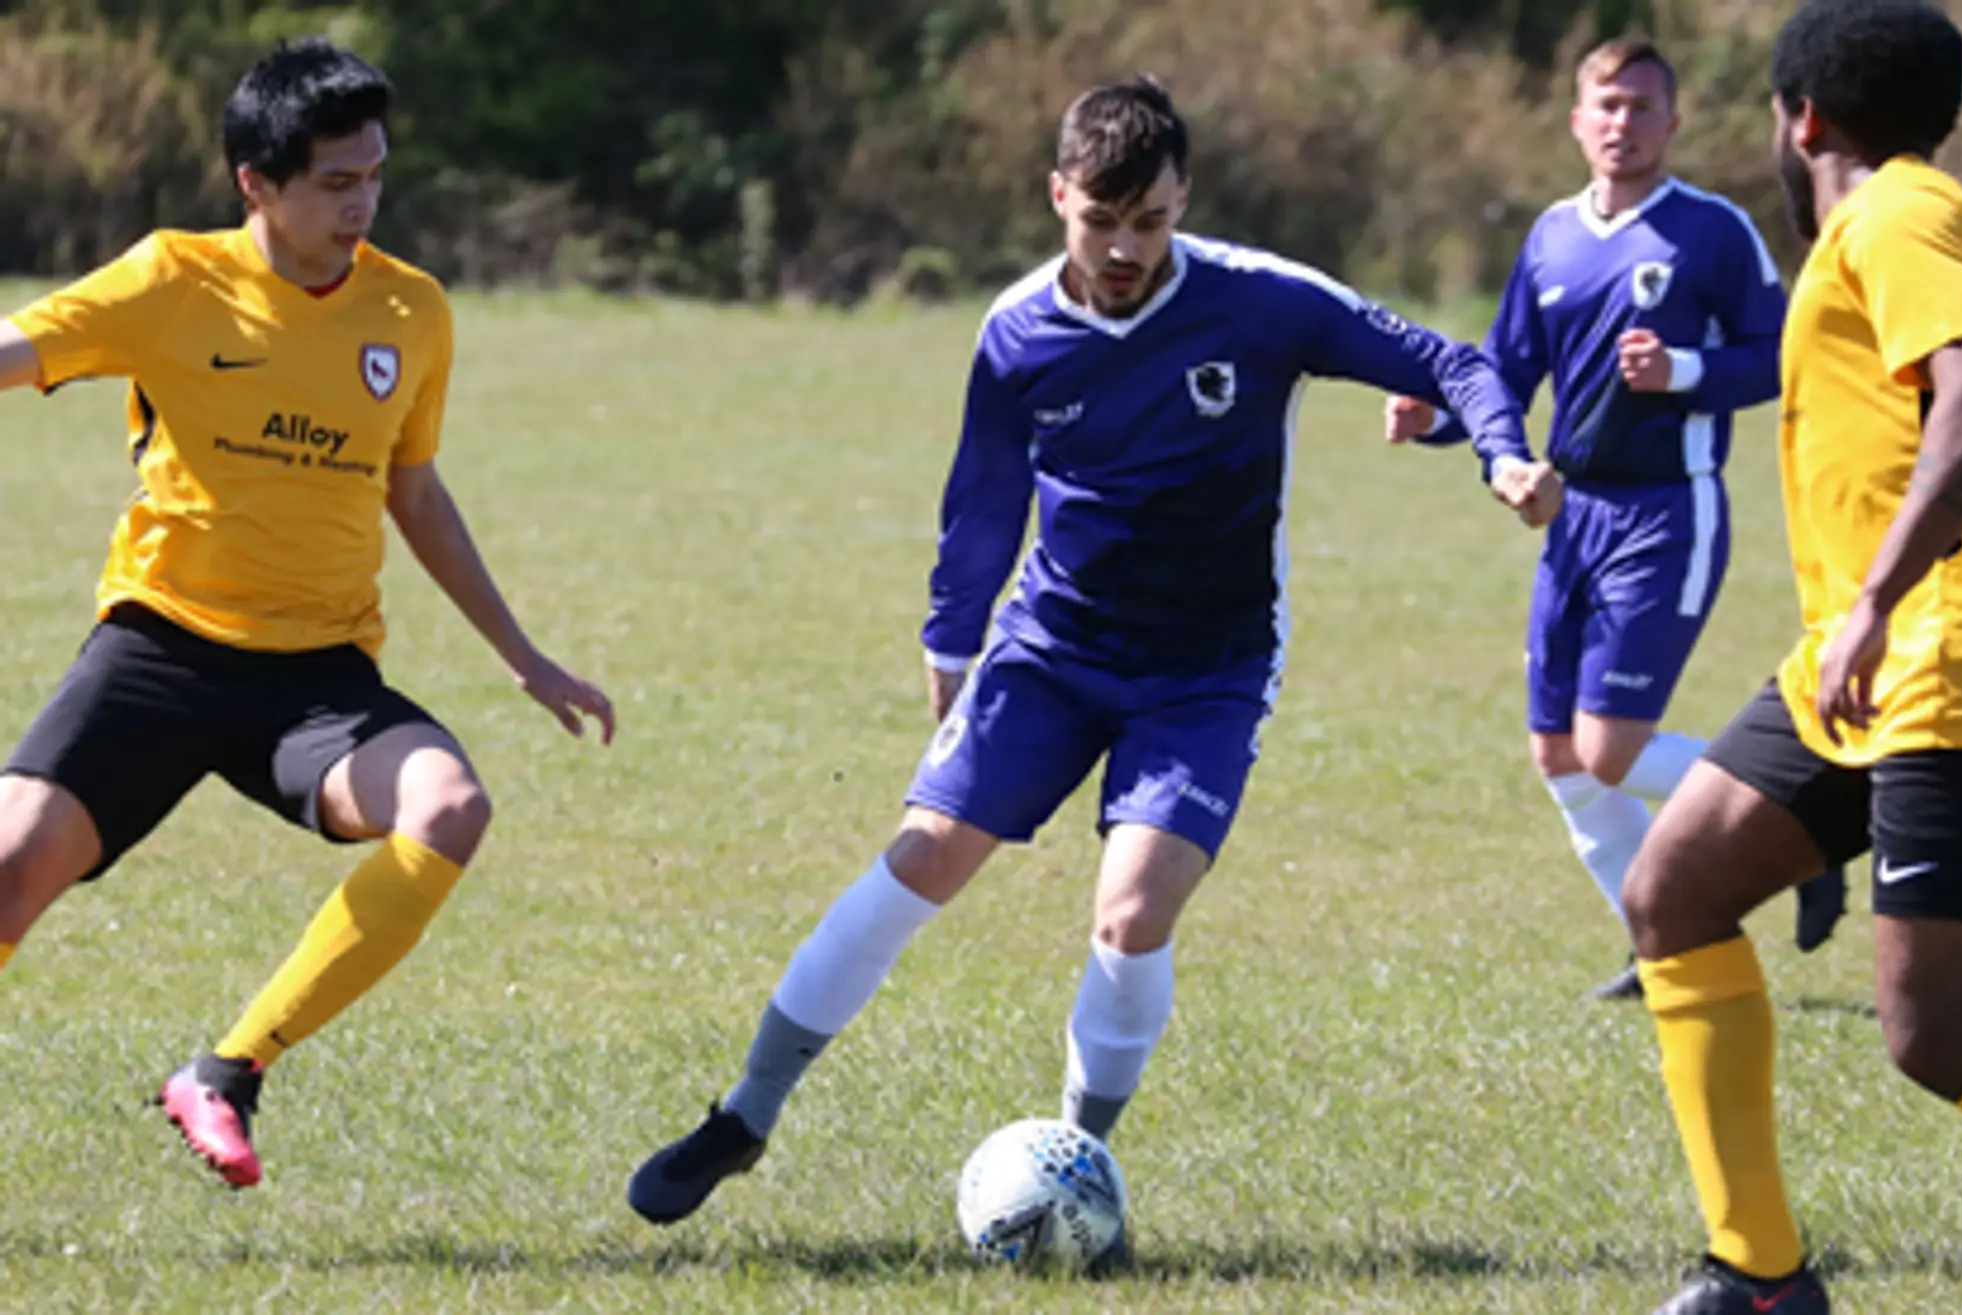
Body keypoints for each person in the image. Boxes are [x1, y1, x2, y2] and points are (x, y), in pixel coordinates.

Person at [625, 75, 1557, 1228]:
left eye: (1149, 221)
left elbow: (1453, 364)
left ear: (1181, 199)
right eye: (1097, 221)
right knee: (921, 857)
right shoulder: (1017, 331)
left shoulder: (1261, 303)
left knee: (1131, 912)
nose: (1123, 248)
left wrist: (1500, 456)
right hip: (1051, 646)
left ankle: (1075, 1162)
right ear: (1057, 194)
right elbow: (980, 495)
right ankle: (744, 1115)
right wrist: (950, 638)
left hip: (1206, 666)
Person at [0, 38, 613, 1190]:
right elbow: (13, 350)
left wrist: (524, 657)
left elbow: (414, 491)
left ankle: (227, 1072)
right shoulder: (171, 281)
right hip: (162, 645)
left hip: (315, 678)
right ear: (256, 185)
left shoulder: (411, 311)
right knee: (8, 869)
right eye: (336, 182)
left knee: (450, 806)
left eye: (374, 174)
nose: (362, 202)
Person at [1621, 3, 1962, 1310]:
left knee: (1940, 1038)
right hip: (1861, 668)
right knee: (1674, 888)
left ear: (1800, 116)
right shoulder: (1896, 218)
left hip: (1951, 666)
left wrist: (1873, 599)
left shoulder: (1897, 212)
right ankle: (1758, 1273)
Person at [1385, 36, 1844, 1000]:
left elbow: (1782, 353)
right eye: (1607, 105)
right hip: (1571, 516)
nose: (1623, 124)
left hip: (1669, 512)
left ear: (1672, 124)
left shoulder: (1711, 232)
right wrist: (1436, 419)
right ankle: (1658, 944)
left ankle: (1808, 835)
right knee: (1559, 754)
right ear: (1577, 121)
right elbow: (1504, 373)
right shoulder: (1551, 236)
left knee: (1610, 748)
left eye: (1642, 107)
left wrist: (1680, 372)